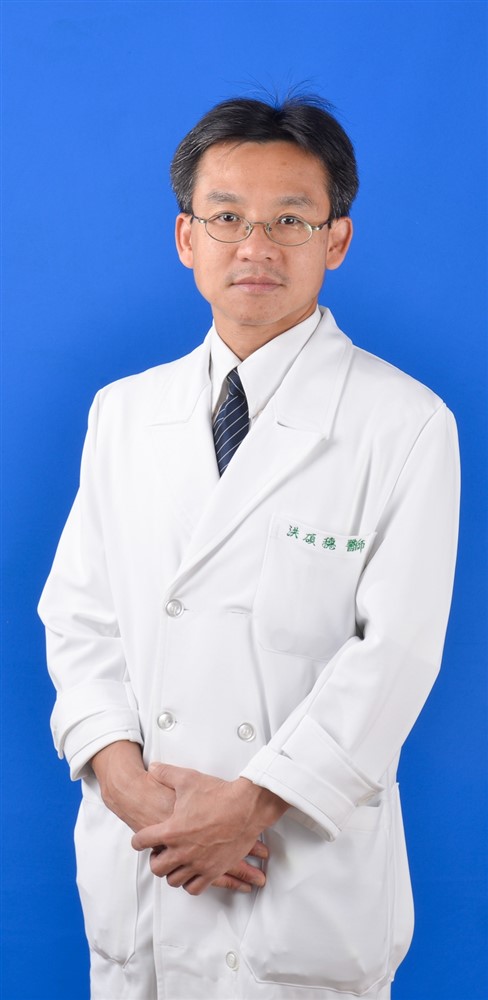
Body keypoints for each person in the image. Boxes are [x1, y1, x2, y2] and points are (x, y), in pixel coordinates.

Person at [39, 94, 460, 1000]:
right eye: (227, 217)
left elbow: (396, 656)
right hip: (144, 862)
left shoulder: (406, 423)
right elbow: (79, 618)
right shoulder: (124, 412)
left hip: (294, 869)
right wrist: (122, 780)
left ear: (336, 240)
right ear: (186, 237)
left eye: (289, 220)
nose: (255, 247)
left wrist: (249, 806)